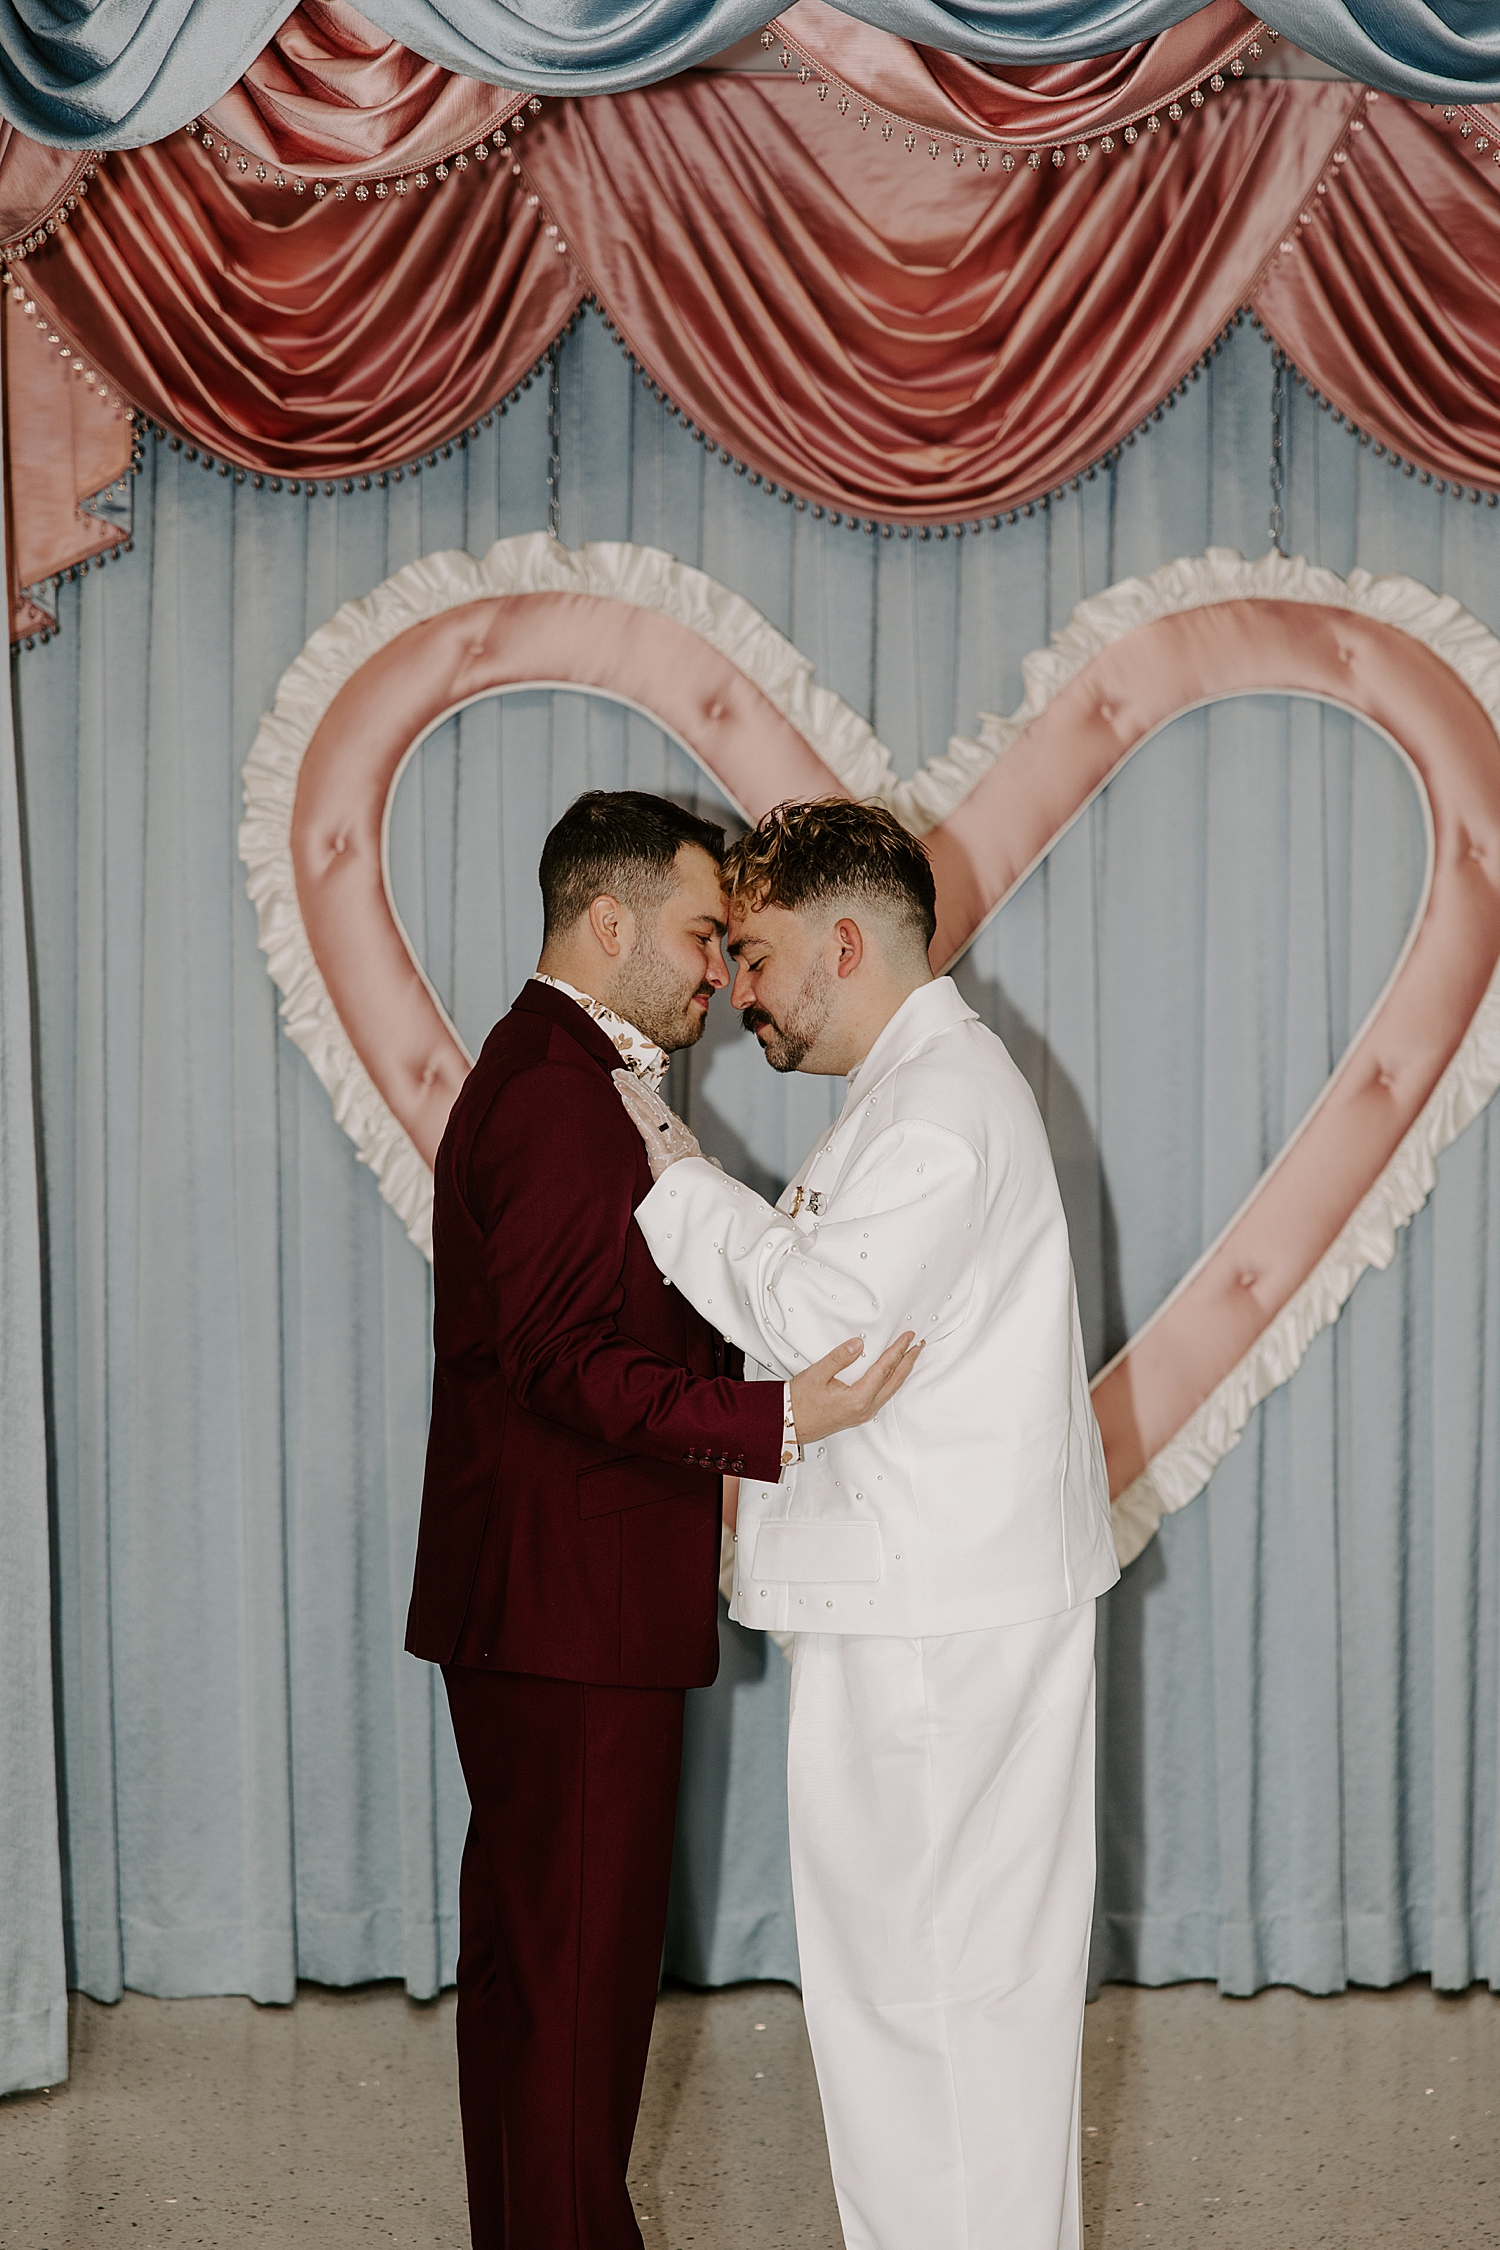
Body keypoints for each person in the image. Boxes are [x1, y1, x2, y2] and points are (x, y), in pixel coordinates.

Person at [404, 790, 918, 2250]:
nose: (720, 971)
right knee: (576, 1994)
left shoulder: (552, 1070)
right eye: (703, 935)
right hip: (572, 1610)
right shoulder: (565, 1094)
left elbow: (593, 1327)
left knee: (525, 1978)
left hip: (533, 1600)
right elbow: (568, 1363)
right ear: (608, 920)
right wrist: (782, 1417)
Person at [614, 796, 1120, 2250]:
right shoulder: (913, 1094)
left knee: (929, 2002)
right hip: (928, 1609)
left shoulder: (941, 1108)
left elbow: (819, 1322)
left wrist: (668, 1167)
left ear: (844, 941)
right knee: (928, 2000)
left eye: (758, 955)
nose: (738, 993)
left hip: (934, 1630)